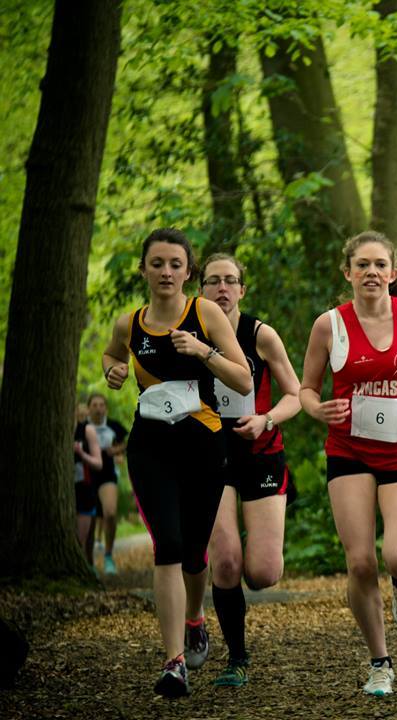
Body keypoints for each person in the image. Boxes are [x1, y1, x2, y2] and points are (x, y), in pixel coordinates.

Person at [300, 231, 397, 697]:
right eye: (361, 265)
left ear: (392, 272)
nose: (371, 272)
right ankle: (380, 662)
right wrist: (317, 409)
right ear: (347, 273)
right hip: (349, 449)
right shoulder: (329, 325)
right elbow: (307, 389)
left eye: (379, 265)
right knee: (361, 563)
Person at [101, 228, 252, 698]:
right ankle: (174, 663)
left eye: (175, 264)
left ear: (188, 271)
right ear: (144, 269)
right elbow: (111, 354)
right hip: (151, 446)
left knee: (193, 551)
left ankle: (195, 618)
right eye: (157, 263)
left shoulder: (203, 313)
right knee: (165, 543)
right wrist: (114, 370)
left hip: (203, 443)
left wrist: (202, 350)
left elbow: (244, 379)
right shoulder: (131, 324)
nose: (166, 272)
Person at [198, 253, 302, 688]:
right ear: (200, 289)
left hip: (260, 451)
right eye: (213, 281)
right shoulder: (188, 333)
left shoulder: (259, 334)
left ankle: (258, 529)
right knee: (224, 564)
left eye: (230, 281)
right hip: (210, 456)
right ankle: (236, 658)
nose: (222, 288)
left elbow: (296, 394)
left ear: (242, 289)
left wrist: (266, 419)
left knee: (262, 574)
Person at [86, 392, 128, 575]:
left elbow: (127, 442)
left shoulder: (113, 426)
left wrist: (117, 449)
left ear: (106, 408)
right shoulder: (82, 427)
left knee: (110, 513)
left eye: (101, 405)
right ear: (88, 408)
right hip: (86, 477)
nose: (98, 408)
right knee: (90, 520)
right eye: (94, 405)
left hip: (107, 474)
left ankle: (109, 555)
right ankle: (89, 562)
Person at [74, 402, 102, 566]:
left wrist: (81, 453)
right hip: (65, 492)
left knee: (79, 541)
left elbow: (98, 463)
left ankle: (87, 569)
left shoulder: (86, 430)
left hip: (84, 491)